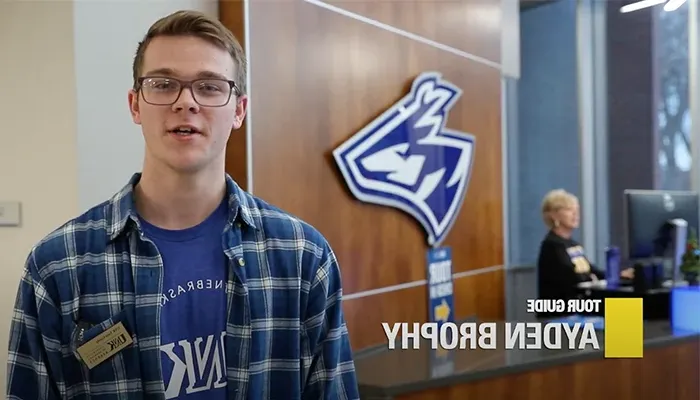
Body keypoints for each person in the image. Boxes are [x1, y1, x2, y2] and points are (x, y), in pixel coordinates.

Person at [6, 10, 359, 400]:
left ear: (239, 109)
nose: (185, 102)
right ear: (135, 104)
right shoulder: (58, 265)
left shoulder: (302, 257)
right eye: (163, 84)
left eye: (209, 87)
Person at [536, 189, 634, 310]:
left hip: (581, 304)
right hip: (563, 310)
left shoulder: (573, 245)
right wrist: (591, 278)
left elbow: (593, 272)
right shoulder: (552, 245)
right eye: (569, 210)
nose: (575, 214)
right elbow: (574, 279)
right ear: (553, 215)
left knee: (629, 307)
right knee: (623, 311)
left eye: (576, 210)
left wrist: (619, 275)